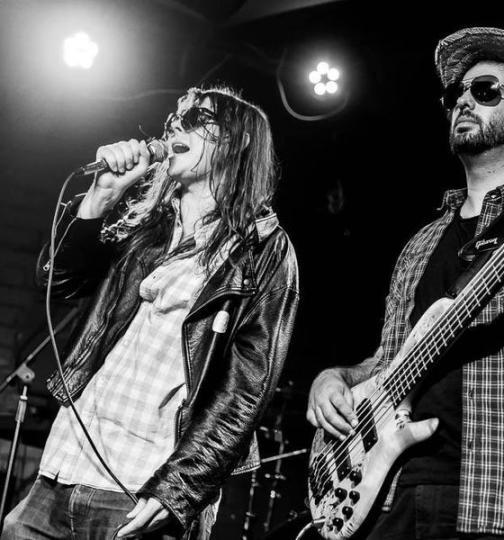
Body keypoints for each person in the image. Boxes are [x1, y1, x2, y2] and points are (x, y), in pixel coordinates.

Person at [307, 27, 504, 539]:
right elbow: (391, 358)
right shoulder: (420, 243)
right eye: (456, 94)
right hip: (388, 499)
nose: (463, 101)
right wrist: (337, 379)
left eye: (484, 92)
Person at [1, 86, 299, 539]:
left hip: (138, 489)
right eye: (174, 118)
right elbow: (57, 281)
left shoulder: (262, 251)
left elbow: (245, 392)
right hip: (61, 466)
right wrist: (100, 197)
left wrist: (177, 491)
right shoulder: (142, 222)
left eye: (198, 118)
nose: (176, 124)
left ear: (237, 142)